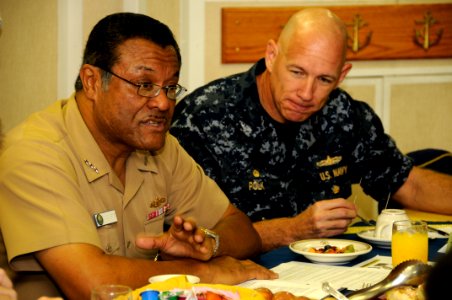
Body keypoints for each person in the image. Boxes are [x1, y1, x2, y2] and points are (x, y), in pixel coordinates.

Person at [0, 13, 276, 299]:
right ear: (92, 81)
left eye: (171, 87)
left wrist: (210, 245)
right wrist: (201, 272)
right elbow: (93, 284)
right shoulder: (36, 154)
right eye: (144, 85)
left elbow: (243, 231)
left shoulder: (156, 145)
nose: (162, 102)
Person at [170, 8, 452, 252]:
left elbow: (407, 183)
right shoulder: (205, 117)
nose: (307, 93)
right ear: (271, 56)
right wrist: (294, 229)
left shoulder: (342, 112)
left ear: (342, 76)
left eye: (324, 79)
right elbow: (199, 239)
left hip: (332, 273)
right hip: (243, 277)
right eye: (297, 72)